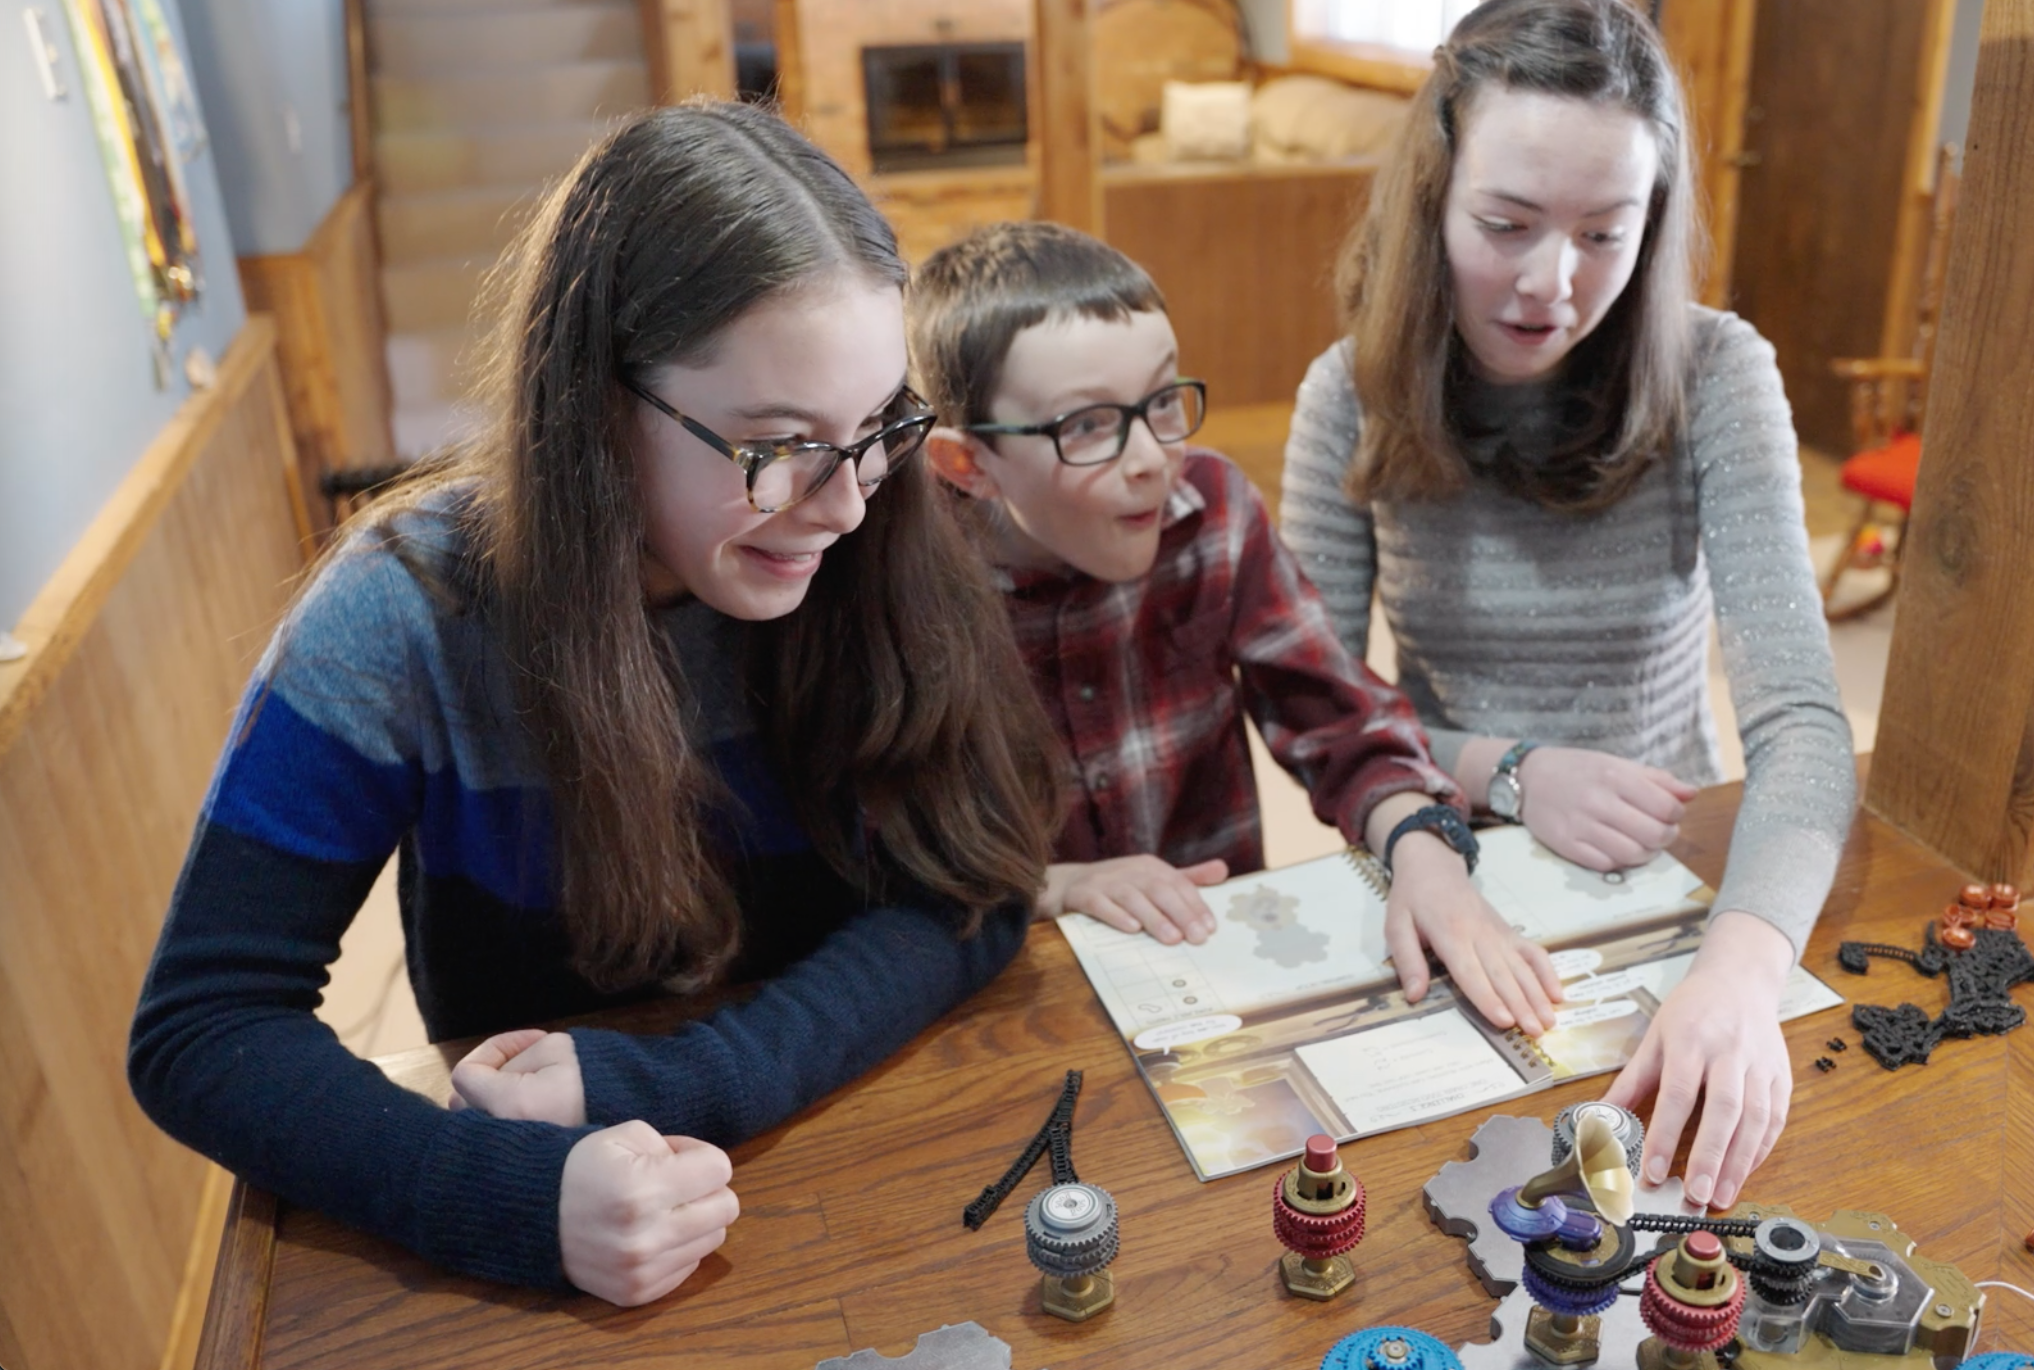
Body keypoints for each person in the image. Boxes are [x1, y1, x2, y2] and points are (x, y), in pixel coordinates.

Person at [125, 102, 1064, 1305]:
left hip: (854, 1178)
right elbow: (204, 1027)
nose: (845, 505)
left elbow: (973, 883)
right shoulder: (401, 616)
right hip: (594, 1262)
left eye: (877, 424)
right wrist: (501, 1192)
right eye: (778, 445)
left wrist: (683, 1082)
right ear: (598, 408)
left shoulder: (879, 525)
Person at [1279, 0, 1857, 1211]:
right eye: (1504, 224)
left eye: (1605, 233)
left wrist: (1746, 965)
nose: (1553, 283)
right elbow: (1312, 706)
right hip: (1445, 856)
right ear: (1432, 197)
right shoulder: (1347, 393)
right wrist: (1504, 767)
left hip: (1677, 853)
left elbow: (1803, 720)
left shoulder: (1714, 371)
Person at [909, 221, 1562, 1034]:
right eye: (1085, 426)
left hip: (1211, 966)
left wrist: (1425, 853)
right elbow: (883, 862)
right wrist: (1060, 886)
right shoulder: (909, 591)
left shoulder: (1212, 509)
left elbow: (1338, 718)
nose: (1150, 455)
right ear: (966, 464)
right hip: (1004, 992)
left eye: (1159, 403)